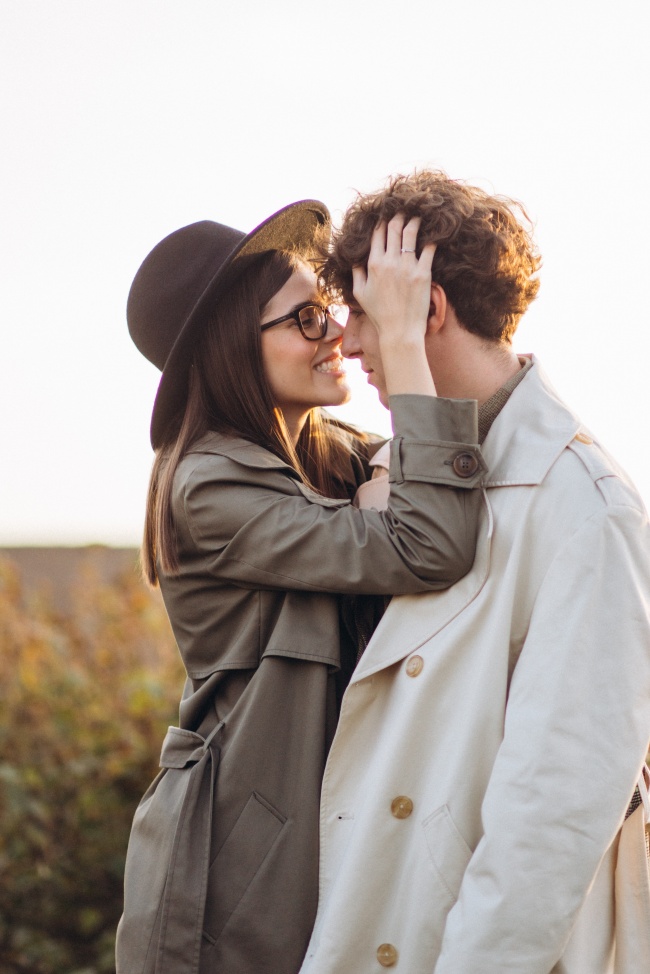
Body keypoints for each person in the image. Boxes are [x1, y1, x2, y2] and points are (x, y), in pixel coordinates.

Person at [115, 200, 487, 974]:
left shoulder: (328, 455)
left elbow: (437, 473)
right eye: (308, 320)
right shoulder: (208, 487)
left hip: (316, 846)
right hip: (236, 875)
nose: (337, 339)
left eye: (331, 311)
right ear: (233, 351)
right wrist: (404, 346)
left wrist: (383, 475)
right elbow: (428, 544)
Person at [300, 172, 650, 974]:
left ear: (426, 307)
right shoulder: (397, 474)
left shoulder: (587, 507)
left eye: (361, 309)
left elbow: (550, 817)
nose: (348, 345)